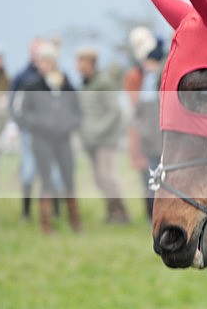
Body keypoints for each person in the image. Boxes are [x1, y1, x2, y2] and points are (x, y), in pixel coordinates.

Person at [18, 40, 82, 233]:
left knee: (69, 179)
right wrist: (39, 123)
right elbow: (23, 114)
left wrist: (68, 125)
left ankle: (75, 221)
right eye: (40, 61)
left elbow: (77, 111)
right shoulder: (32, 85)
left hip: (62, 139)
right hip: (41, 140)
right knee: (46, 179)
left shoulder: (65, 83)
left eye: (46, 61)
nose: (42, 65)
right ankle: (46, 224)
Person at [76, 46, 130, 224]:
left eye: (81, 62)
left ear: (90, 63)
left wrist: (97, 130)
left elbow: (114, 111)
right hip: (90, 140)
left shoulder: (103, 82)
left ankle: (121, 213)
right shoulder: (85, 83)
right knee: (98, 179)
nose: (78, 66)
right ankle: (111, 211)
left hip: (105, 139)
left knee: (107, 176)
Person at [124, 26, 165, 220]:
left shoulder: (158, 80)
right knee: (150, 179)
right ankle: (153, 215)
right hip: (149, 139)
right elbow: (137, 112)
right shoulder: (140, 80)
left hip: (161, 139)